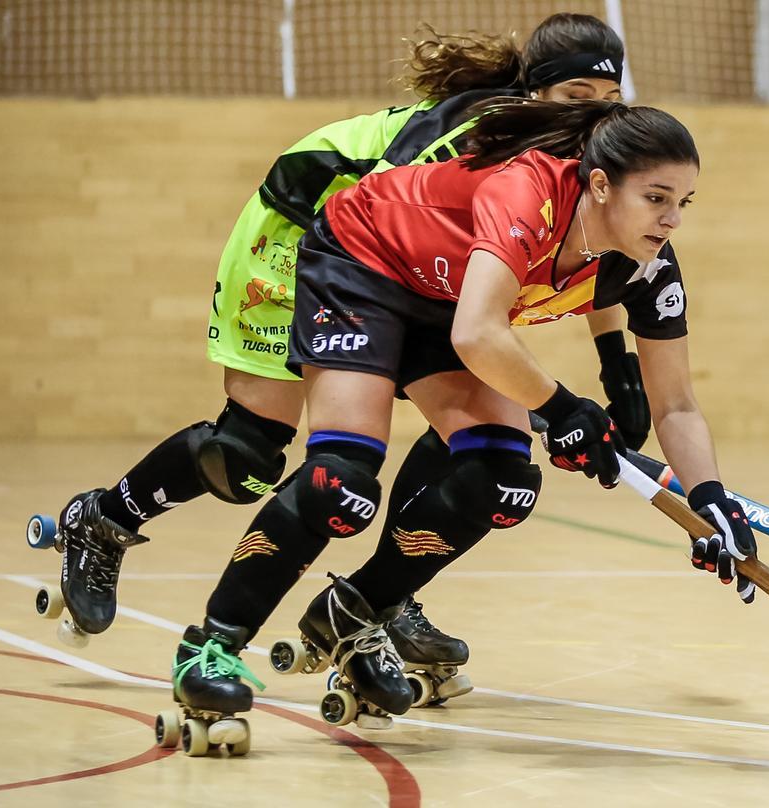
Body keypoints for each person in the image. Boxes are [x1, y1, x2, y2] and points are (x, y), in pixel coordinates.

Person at [42, 15, 649, 670]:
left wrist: (618, 369)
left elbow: (590, 249)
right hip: (310, 229)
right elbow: (378, 214)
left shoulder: (582, 153)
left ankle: (388, 602)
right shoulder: (476, 130)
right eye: (574, 101)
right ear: (533, 94)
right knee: (247, 456)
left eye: (607, 103)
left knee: (471, 441)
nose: (593, 121)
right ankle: (102, 521)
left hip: (408, 264)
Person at [167, 98, 759, 736]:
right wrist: (564, 409)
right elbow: (479, 334)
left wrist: (711, 500)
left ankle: (354, 611)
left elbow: (676, 404)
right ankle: (211, 647)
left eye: (684, 203)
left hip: (443, 302)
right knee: (340, 485)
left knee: (503, 482)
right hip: (363, 263)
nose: (672, 220)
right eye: (657, 198)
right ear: (599, 184)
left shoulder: (648, 267)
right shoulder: (529, 195)